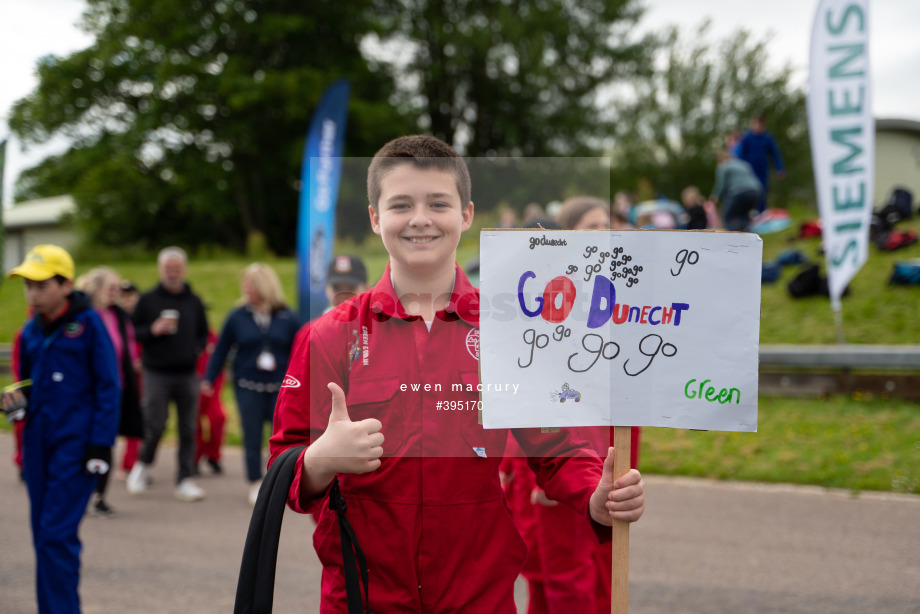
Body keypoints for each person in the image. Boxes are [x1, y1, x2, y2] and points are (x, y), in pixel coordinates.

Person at [268, 135, 645, 612]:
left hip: (479, 597)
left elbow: (557, 449)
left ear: (466, 215)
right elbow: (285, 460)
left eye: (438, 203)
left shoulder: (512, 332)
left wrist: (596, 496)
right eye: (401, 203)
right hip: (362, 597)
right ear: (374, 217)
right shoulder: (327, 335)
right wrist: (321, 460)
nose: (420, 218)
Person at [506, 196, 640, 614]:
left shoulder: (612, 303)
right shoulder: (549, 309)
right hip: (563, 466)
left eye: (608, 225)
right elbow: (529, 398)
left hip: (603, 460)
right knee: (564, 583)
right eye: (592, 227)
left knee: (600, 574)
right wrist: (537, 478)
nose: (604, 234)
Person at [3, 245, 120, 614]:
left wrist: (100, 445)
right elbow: (26, 385)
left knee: (56, 536)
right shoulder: (29, 331)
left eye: (41, 284)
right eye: (28, 285)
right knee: (43, 536)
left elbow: (108, 386)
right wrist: (15, 407)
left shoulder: (89, 325)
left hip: (77, 446)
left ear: (66, 284)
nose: (32, 293)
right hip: (38, 444)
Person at [202, 263, 300, 505]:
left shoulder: (287, 316)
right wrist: (209, 378)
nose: (245, 288)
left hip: (280, 388)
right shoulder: (237, 316)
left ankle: (278, 481)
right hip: (248, 386)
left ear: (264, 287)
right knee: (252, 436)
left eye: (250, 284)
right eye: (244, 284)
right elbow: (221, 349)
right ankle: (256, 482)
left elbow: (301, 350)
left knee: (280, 437)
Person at [127, 246, 209, 501]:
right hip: (156, 373)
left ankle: (185, 479)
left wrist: (195, 348)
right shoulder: (148, 299)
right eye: (168, 268)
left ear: (183, 270)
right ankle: (142, 466)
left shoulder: (193, 300)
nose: (172, 273)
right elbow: (132, 332)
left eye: (177, 268)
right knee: (155, 424)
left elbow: (203, 332)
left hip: (187, 373)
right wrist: (151, 330)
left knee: (188, 428)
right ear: (160, 269)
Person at [76, 267, 144, 517]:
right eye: (112, 287)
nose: (116, 292)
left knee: (106, 442)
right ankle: (81, 492)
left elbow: (128, 343)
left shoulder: (118, 315)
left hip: (116, 388)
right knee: (84, 441)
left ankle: (99, 496)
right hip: (87, 391)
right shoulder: (85, 315)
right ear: (96, 287)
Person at [736, 113, 785, 212]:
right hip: (749, 171)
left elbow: (775, 154)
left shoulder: (767, 138)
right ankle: (747, 216)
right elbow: (740, 155)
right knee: (748, 192)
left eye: (759, 124)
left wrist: (780, 168)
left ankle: (761, 214)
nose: (757, 126)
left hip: (762, 169)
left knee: (762, 192)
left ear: (763, 125)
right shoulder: (747, 138)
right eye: (755, 124)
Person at [195, 329, 226, 476]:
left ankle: (213, 455)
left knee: (218, 418)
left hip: (212, 386)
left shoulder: (213, 336)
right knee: (195, 424)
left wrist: (214, 384)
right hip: (193, 386)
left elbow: (220, 359)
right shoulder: (188, 333)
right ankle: (194, 459)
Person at [710, 149, 763, 231]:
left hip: (739, 192)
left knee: (727, 216)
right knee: (744, 216)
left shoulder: (724, 165)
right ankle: (747, 238)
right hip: (755, 191)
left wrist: (715, 196)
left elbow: (721, 184)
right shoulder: (743, 164)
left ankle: (734, 239)